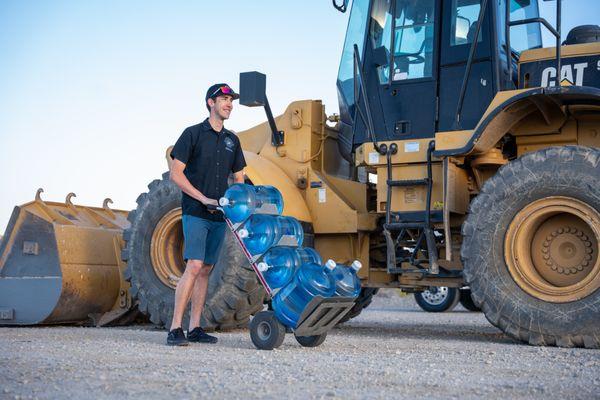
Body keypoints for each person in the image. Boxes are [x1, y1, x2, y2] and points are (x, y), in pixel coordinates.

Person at [167, 83, 246, 346]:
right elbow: (175, 174)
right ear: (210, 103)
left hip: (218, 215)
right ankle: (175, 328)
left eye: (231, 101)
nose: (229, 104)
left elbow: (239, 177)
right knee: (195, 265)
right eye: (224, 99)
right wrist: (202, 198)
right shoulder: (192, 134)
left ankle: (195, 327)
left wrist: (236, 202)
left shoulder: (232, 140)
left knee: (207, 269)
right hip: (196, 211)